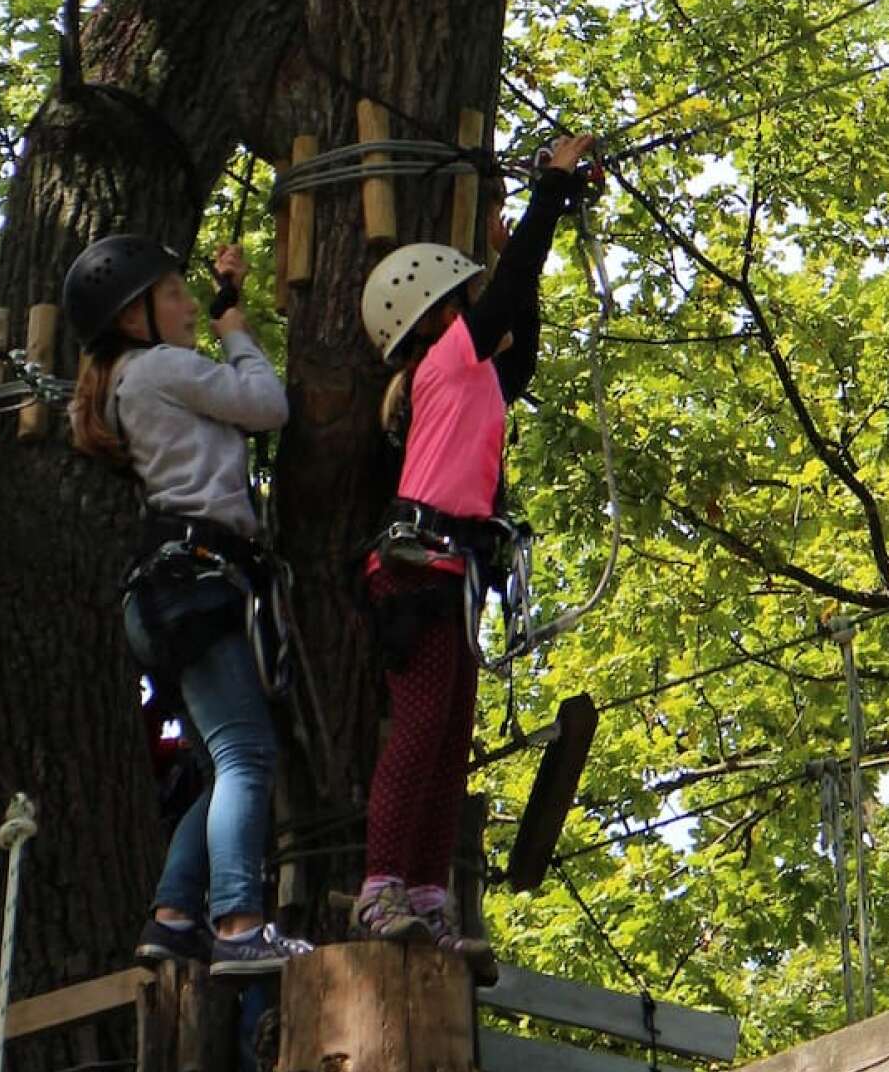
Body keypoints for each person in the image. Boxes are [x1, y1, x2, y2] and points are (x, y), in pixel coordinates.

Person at [353, 135, 597, 983]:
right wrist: (551, 189)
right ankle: (381, 887)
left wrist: (515, 246)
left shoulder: (477, 374)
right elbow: (510, 297)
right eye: (465, 297)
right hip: (419, 571)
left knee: (449, 741)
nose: (478, 309)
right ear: (434, 314)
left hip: (453, 572)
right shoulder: (442, 364)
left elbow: (518, 336)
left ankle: (424, 894)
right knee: (419, 735)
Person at [66, 233, 314, 976]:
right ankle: (237, 923)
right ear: (134, 315)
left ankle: (175, 916)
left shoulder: (128, 380)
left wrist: (225, 299)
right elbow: (268, 406)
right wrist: (235, 331)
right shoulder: (163, 368)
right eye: (172, 295)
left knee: (219, 762)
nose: (185, 306)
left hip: (165, 595)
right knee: (248, 754)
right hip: (196, 585)